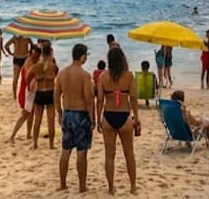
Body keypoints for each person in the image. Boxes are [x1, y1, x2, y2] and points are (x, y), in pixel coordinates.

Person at [97, 47, 139, 195]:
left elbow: (100, 100)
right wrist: (137, 118)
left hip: (108, 116)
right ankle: (133, 187)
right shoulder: (128, 76)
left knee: (109, 155)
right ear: (123, 59)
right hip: (125, 115)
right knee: (129, 154)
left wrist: (98, 118)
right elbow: (133, 98)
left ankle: (110, 188)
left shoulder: (103, 77)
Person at [56, 43, 95, 193]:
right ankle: (82, 186)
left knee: (65, 150)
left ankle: (63, 183)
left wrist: (59, 113)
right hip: (80, 114)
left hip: (67, 113)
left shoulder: (62, 74)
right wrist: (92, 117)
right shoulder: (84, 75)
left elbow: (56, 94)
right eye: (86, 56)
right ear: (82, 56)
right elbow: (88, 98)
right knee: (81, 151)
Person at [9, 45, 42, 144]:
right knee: (25, 114)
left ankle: (28, 134)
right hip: (28, 91)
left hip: (32, 91)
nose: (34, 57)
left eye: (36, 55)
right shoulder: (29, 62)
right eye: (33, 55)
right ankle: (12, 136)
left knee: (31, 114)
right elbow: (30, 75)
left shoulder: (37, 61)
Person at [31, 43, 59, 149]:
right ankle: (51, 145)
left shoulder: (36, 66)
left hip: (39, 92)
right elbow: (55, 75)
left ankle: (35, 143)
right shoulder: (54, 66)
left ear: (42, 54)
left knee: (37, 119)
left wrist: (30, 86)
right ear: (51, 53)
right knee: (50, 120)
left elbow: (29, 75)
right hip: (49, 91)